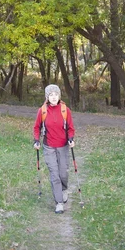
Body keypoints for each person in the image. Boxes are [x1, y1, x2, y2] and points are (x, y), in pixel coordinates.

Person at [33, 84, 75, 214]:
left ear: (59, 95)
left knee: (63, 173)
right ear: (47, 97)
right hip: (49, 146)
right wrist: (36, 140)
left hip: (63, 146)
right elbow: (36, 127)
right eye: (50, 95)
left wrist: (71, 138)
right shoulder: (43, 110)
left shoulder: (65, 110)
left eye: (55, 94)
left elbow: (70, 128)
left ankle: (64, 189)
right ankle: (59, 203)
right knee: (54, 174)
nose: (53, 97)